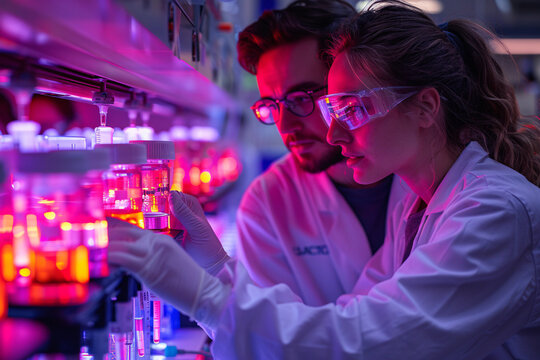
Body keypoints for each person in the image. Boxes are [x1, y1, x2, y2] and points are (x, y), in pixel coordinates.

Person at [108, 1, 540, 358]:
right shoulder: (420, 206)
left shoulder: (494, 212)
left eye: (352, 109)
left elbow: (367, 344)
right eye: (334, 111)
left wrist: (204, 295)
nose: (332, 132)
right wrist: (216, 269)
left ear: (425, 107)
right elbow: (354, 315)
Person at [233, 0, 408, 306]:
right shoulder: (267, 203)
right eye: (272, 106)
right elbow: (274, 337)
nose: (286, 125)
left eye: (301, 98)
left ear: (350, 85)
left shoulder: (431, 177)